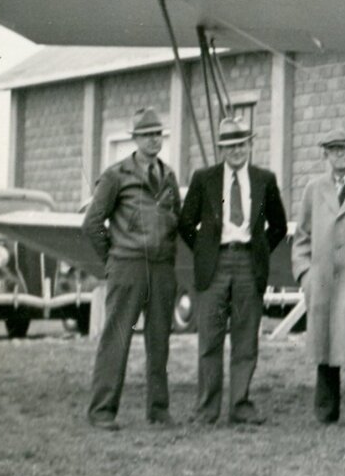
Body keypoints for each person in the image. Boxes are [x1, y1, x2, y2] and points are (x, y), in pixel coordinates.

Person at [179, 117, 289, 425]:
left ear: (251, 145)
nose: (237, 151)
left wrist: (258, 250)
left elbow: (278, 225)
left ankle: (240, 405)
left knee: (245, 339)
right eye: (230, 146)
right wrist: (206, 251)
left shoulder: (265, 179)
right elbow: (186, 224)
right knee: (210, 340)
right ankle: (206, 409)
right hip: (214, 266)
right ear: (221, 149)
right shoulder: (204, 179)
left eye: (241, 144)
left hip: (248, 266)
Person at [81, 107, 182, 430]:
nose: (153, 140)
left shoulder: (168, 176)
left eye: (157, 134)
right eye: (146, 135)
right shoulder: (115, 176)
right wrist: (113, 258)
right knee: (116, 339)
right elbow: (93, 222)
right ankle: (102, 412)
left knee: (159, 341)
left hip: (162, 268)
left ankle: (159, 410)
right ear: (135, 139)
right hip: (127, 267)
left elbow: (175, 218)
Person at [291, 125, 345, 426]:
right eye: (333, 150)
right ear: (325, 154)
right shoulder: (313, 190)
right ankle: (326, 411)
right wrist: (305, 274)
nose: (339, 155)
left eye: (344, 149)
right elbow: (301, 237)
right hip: (323, 280)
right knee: (325, 343)